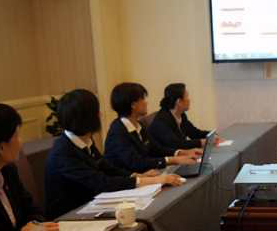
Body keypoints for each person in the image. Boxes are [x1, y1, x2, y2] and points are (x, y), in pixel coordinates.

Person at [44, 89, 183, 219]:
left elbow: (106, 167)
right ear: (87, 118)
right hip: (69, 217)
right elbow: (100, 182)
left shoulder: (84, 138)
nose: (100, 114)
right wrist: (151, 181)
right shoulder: (62, 153)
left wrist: (136, 176)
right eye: (96, 111)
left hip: (91, 206)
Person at [104, 82, 201, 173]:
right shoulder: (117, 131)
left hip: (146, 175)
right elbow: (136, 162)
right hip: (130, 180)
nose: (146, 103)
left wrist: (182, 153)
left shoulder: (138, 125)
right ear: (133, 105)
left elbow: (156, 149)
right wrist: (173, 160)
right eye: (143, 99)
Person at [149, 83, 221, 151]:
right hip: (169, 157)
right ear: (179, 101)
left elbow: (194, 133)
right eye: (187, 96)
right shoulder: (162, 120)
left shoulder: (181, 114)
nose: (189, 100)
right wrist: (201, 142)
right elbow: (176, 144)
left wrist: (212, 135)